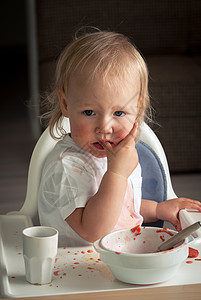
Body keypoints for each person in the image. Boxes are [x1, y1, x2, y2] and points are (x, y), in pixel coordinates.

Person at [38, 28, 201, 247]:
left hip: (121, 258)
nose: (105, 128)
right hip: (78, 270)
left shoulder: (118, 156)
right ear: (66, 104)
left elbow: (121, 207)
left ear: (137, 108)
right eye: (89, 112)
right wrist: (116, 172)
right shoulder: (67, 166)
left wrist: (158, 209)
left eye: (119, 113)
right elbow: (92, 231)